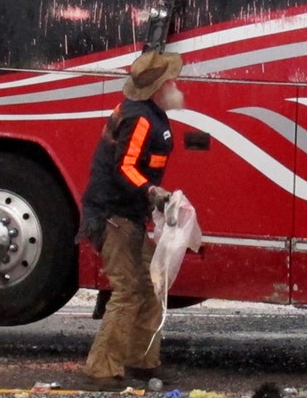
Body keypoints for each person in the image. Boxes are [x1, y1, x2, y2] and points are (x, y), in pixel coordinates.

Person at [78, 49, 185, 389]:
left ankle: (141, 360)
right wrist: (152, 192)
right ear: (158, 87)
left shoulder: (145, 112)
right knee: (127, 290)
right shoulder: (139, 119)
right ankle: (101, 368)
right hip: (114, 216)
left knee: (152, 286)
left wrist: (151, 195)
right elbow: (125, 167)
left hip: (127, 214)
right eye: (171, 80)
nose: (176, 85)